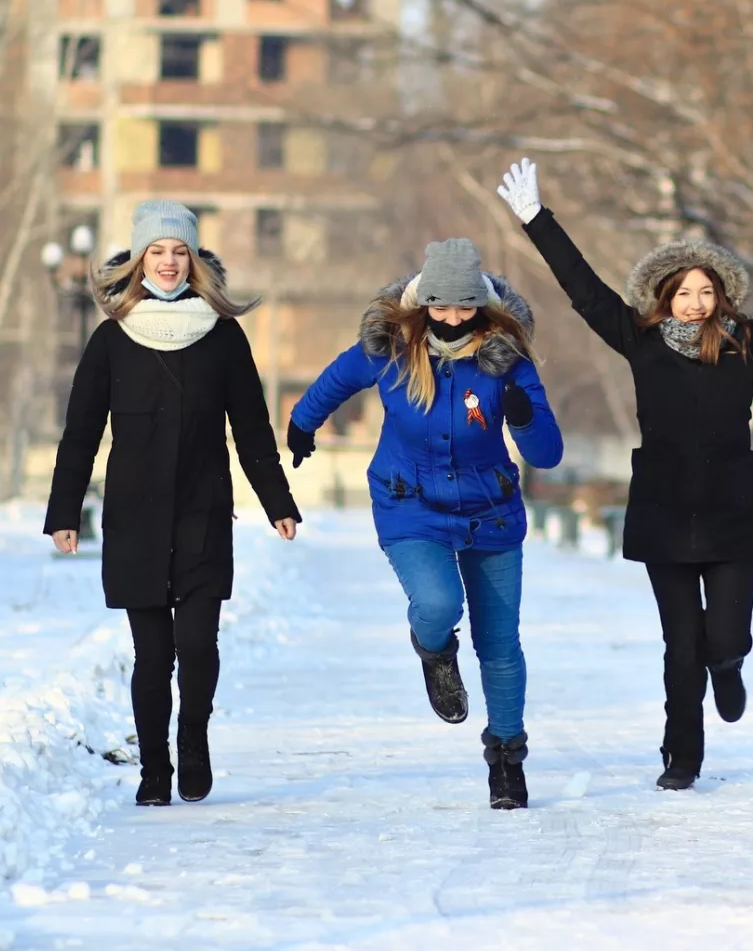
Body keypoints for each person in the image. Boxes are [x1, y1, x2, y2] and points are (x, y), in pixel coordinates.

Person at [495, 158, 753, 790]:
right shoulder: (638, 342)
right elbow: (585, 290)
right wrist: (536, 219)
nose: (695, 304)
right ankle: (681, 756)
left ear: (722, 297)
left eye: (706, 292)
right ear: (664, 297)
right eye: (684, 293)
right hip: (663, 518)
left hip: (730, 515)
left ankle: (731, 662)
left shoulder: (746, 343)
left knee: (725, 636)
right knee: (681, 647)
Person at [287, 239, 562, 811]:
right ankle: (434, 651)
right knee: (437, 605)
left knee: (499, 643)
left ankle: (506, 757)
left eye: (465, 306)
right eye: (441, 305)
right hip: (409, 503)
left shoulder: (507, 360)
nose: (454, 318)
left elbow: (548, 454)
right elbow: (334, 381)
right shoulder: (390, 350)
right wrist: (302, 425)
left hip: (490, 511)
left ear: (482, 304)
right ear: (423, 303)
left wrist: (523, 416)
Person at [46, 200, 300, 808]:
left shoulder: (223, 337)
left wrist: (277, 501)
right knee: (153, 655)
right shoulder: (111, 340)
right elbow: (80, 433)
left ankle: (194, 739)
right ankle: (154, 768)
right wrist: (63, 511)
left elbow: (252, 428)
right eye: (157, 251)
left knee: (198, 647)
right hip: (134, 520)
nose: (168, 262)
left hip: (202, 514)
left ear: (194, 260)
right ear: (139, 260)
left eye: (179, 251)